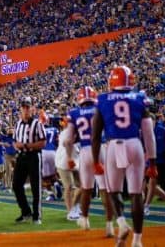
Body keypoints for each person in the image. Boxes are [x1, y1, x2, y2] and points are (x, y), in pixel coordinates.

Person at [92, 65, 156, 247]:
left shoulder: (103, 99)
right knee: (137, 194)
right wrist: (152, 162)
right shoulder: (140, 98)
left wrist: (96, 160)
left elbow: (95, 135)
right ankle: (137, 240)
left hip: (114, 145)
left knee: (113, 191)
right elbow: (149, 134)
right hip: (134, 144)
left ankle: (121, 223)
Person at [64, 85, 115, 236]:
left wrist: (69, 157)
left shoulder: (74, 113)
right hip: (103, 149)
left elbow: (68, 140)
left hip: (86, 150)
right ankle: (109, 226)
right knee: (106, 189)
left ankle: (85, 220)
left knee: (86, 189)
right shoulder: (101, 108)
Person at [12, 97, 46, 224]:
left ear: (32, 108)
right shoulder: (18, 124)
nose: (26, 109)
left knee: (35, 186)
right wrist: (17, 146)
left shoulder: (37, 124)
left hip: (33, 156)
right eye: (24, 107)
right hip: (21, 156)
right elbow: (15, 141)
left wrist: (26, 146)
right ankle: (26, 212)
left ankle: (37, 215)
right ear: (21, 109)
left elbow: (43, 143)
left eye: (28, 107)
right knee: (16, 185)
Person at [143, 114, 165, 215]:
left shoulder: (162, 129)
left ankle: (147, 206)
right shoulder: (145, 131)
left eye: (150, 121)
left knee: (152, 184)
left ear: (154, 121)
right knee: (150, 185)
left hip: (161, 160)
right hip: (150, 161)